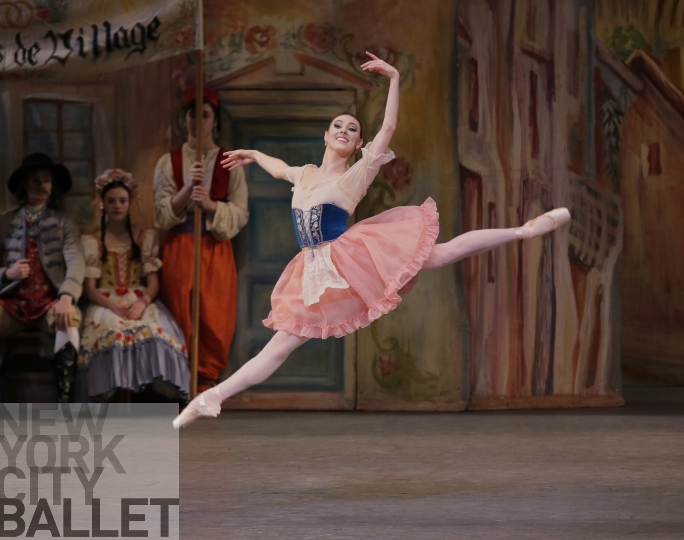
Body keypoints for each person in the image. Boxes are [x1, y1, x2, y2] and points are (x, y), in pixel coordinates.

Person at [173, 52, 571, 428]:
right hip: (313, 268)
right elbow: (279, 169)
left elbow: (389, 128)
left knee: (439, 253)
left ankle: (525, 230)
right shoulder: (305, 173)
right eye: (339, 126)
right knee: (280, 345)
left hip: (348, 256)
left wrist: (395, 79)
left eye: (353, 129)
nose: (345, 131)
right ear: (325, 135)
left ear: (357, 143)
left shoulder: (356, 174)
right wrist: (255, 154)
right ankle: (212, 398)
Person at [153, 88, 249, 393]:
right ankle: (181, 385)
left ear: (214, 121)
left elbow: (240, 212)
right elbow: (159, 212)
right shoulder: (169, 162)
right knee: (180, 314)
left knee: (214, 318)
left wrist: (209, 205)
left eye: (205, 115)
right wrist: (184, 195)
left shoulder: (228, 163)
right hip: (180, 247)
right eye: (193, 114)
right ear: (185, 119)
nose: (198, 121)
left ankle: (205, 383)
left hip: (214, 248)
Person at [78, 169, 190, 402]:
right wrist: (113, 306)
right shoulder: (92, 241)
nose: (117, 206)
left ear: (130, 203)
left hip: (138, 298)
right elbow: (89, 288)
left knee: (153, 331)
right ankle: (114, 398)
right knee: (112, 330)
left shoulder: (144, 237)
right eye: (111, 201)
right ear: (102, 204)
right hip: (105, 300)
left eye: (122, 201)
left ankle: (141, 399)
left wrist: (143, 302)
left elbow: (153, 283)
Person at [0, 153, 85, 403]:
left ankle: (64, 402)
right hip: (11, 303)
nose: (41, 184)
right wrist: (7, 273)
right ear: (25, 185)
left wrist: (67, 296)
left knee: (69, 320)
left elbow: (76, 260)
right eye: (35, 179)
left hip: (49, 302)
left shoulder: (64, 222)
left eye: (46, 180)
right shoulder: (4, 221)